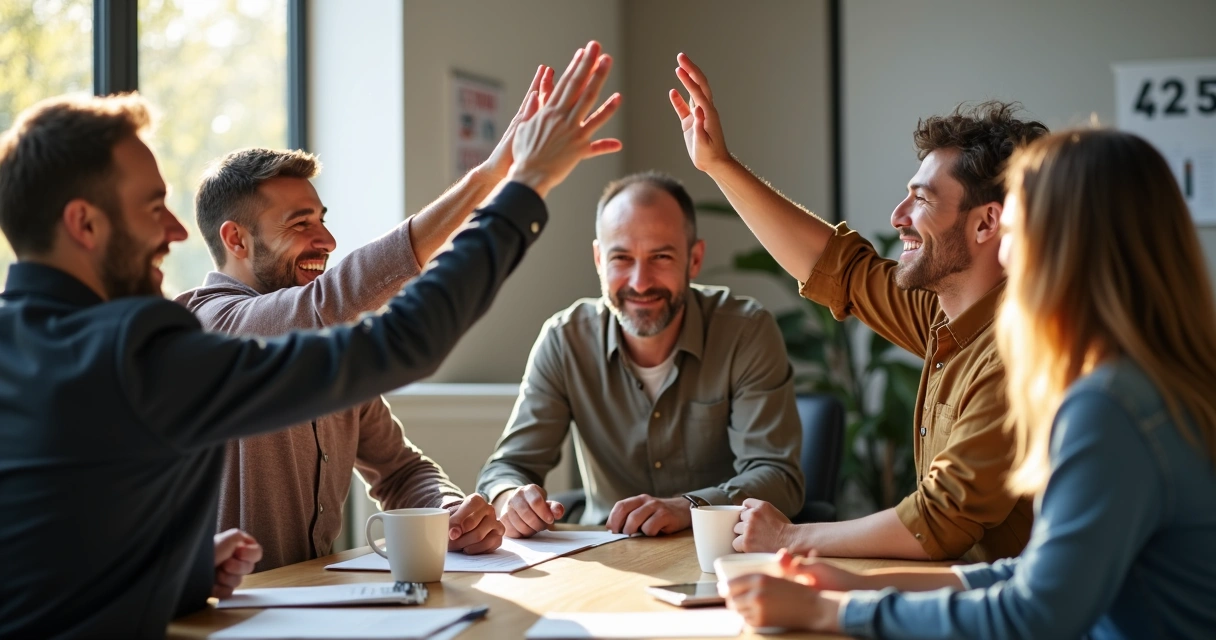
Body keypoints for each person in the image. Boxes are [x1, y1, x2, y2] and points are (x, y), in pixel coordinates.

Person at [0, 40, 620, 637]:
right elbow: (397, 338)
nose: (176, 232)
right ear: (83, 223)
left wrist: (177, 574)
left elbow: (52, 551)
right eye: (151, 206)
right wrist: (520, 187)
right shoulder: (157, 340)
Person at [723, 129, 1216, 638]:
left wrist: (831, 611)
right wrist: (855, 588)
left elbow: (1033, 614)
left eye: (1019, 230)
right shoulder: (1150, 382)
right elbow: (1033, 575)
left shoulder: (1108, 407)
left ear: (1066, 247)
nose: (1005, 256)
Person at [175, 65, 559, 571]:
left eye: (322, 220)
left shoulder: (325, 345)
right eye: (300, 224)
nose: (327, 241)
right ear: (236, 240)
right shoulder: (207, 329)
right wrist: (488, 180)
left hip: (312, 611)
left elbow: (400, 471)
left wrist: (447, 512)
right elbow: (332, 299)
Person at [670, 53, 1048, 562]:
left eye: (922, 199)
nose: (898, 217)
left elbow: (940, 520)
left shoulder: (1016, 351)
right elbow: (836, 268)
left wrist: (789, 539)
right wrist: (719, 164)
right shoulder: (946, 313)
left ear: (986, 224)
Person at [477, 171, 804, 538]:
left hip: (719, 553)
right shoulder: (565, 340)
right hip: (607, 552)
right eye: (621, 258)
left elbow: (779, 478)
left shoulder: (745, 331)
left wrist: (689, 506)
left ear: (694, 260)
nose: (640, 282)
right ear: (599, 259)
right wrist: (510, 499)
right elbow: (508, 468)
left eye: (660, 256)